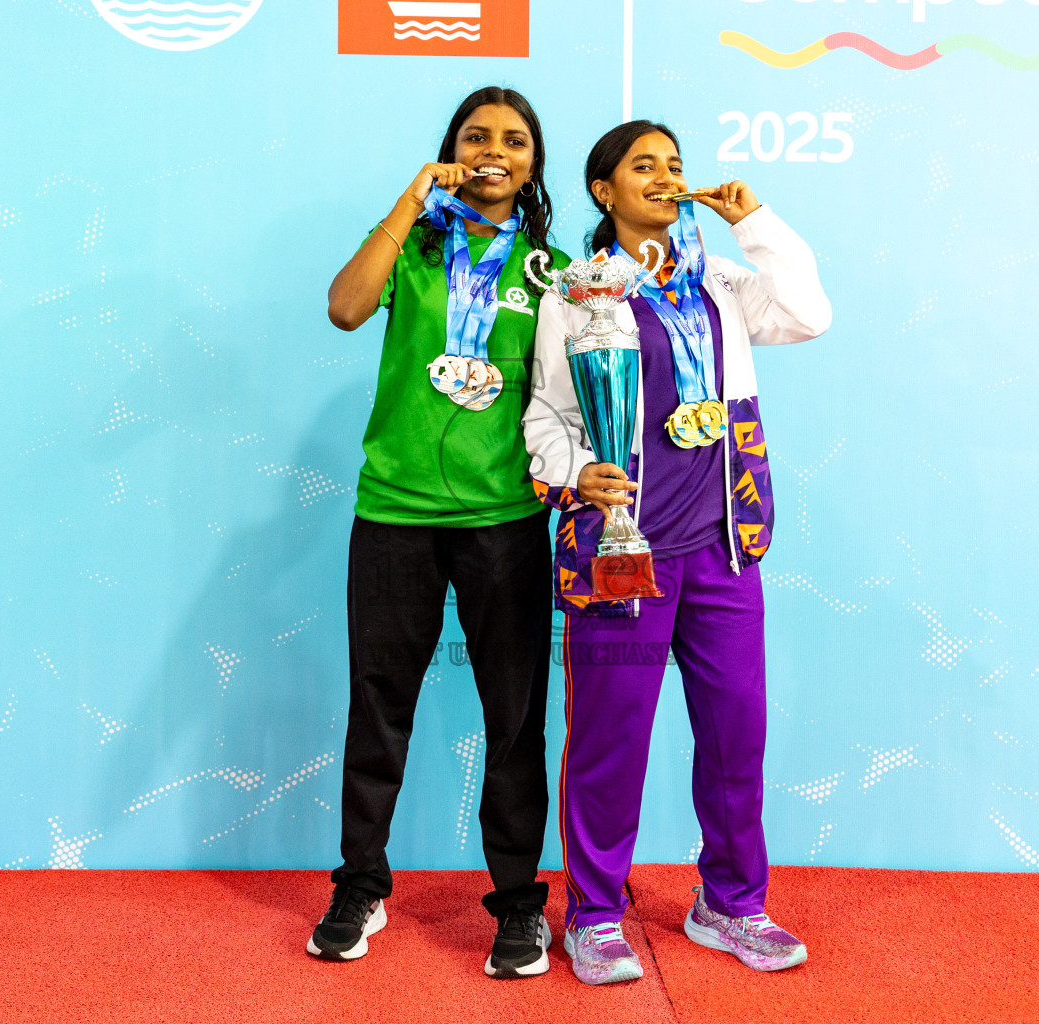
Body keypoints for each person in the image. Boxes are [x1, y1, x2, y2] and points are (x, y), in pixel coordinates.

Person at [522, 120, 832, 985]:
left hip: (723, 551)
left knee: (737, 734)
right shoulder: (578, 294)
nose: (666, 177)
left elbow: (810, 313)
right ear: (603, 192)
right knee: (610, 739)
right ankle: (592, 914)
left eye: (676, 165)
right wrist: (579, 470)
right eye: (643, 166)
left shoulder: (722, 283)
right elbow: (543, 419)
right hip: (621, 556)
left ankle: (730, 903)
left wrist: (756, 220)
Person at [311, 86, 570, 979]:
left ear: (534, 163)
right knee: (378, 708)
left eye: (514, 140)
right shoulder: (415, 250)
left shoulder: (554, 271)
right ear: (450, 149)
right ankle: (360, 884)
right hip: (395, 512)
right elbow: (346, 308)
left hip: (505, 520)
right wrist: (411, 198)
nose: (495, 150)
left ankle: (520, 906)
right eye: (475, 136)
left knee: (517, 720)